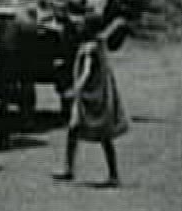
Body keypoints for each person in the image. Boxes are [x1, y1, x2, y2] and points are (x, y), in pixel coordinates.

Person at [52, 15, 130, 186]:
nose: (79, 27)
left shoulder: (89, 49)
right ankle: (71, 169)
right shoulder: (99, 43)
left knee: (99, 135)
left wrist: (75, 90)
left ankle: (110, 174)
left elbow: (86, 72)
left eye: (83, 25)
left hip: (89, 96)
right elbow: (114, 27)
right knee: (77, 130)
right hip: (96, 95)